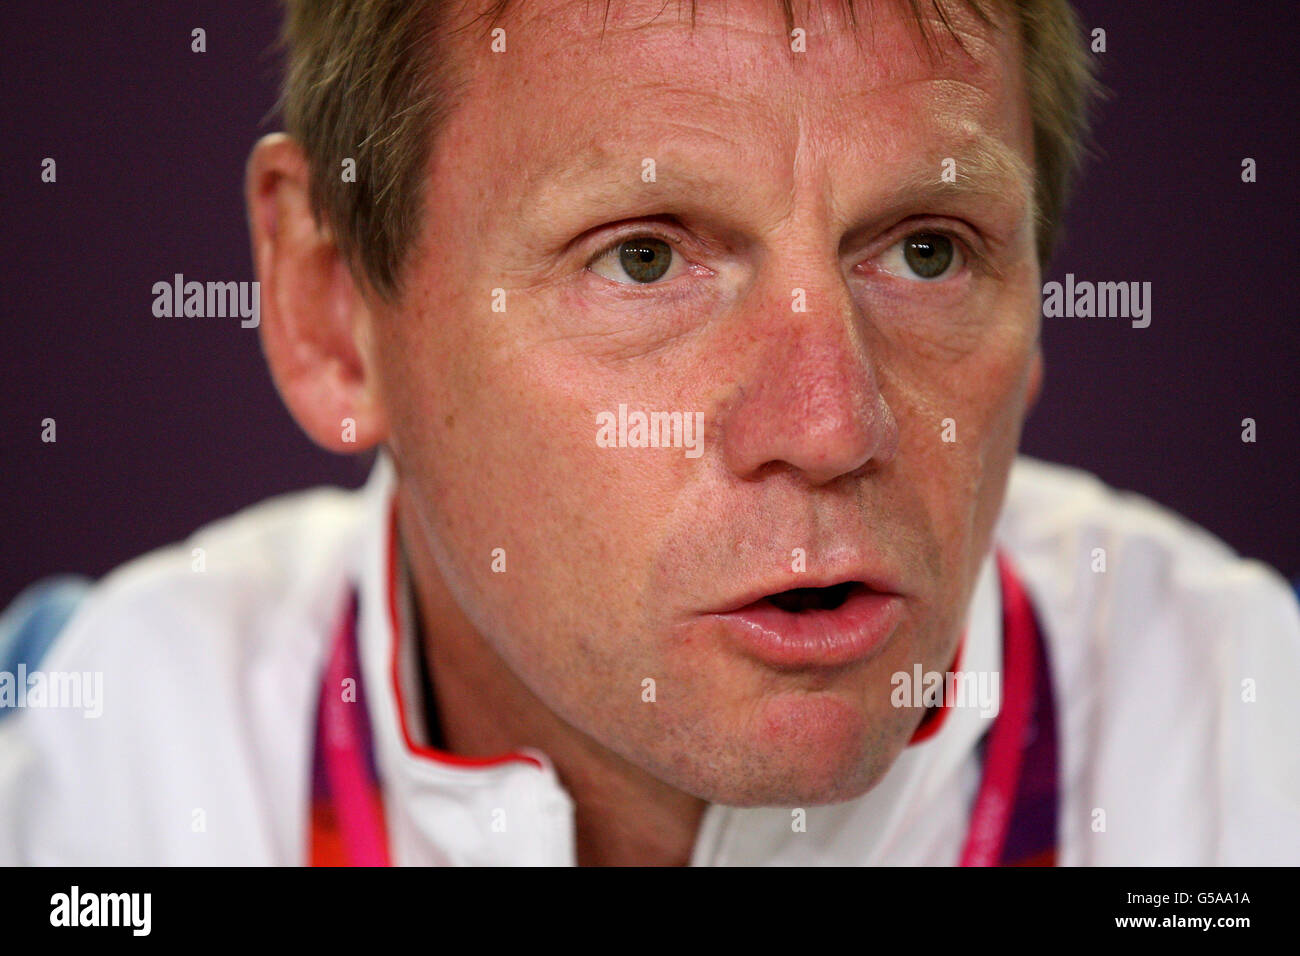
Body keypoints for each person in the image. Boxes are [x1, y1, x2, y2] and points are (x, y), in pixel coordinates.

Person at [2, 0, 1297, 866]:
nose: (833, 424)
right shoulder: (81, 768)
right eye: (641, 258)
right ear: (332, 309)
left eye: (924, 251)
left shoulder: (1254, 753)